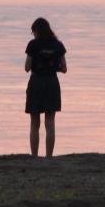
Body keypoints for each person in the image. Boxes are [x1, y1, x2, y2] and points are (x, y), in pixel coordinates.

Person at [24, 17, 67, 157]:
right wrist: (53, 67)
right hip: (51, 83)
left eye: (33, 32)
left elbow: (27, 67)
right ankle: (49, 156)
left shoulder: (32, 45)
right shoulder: (58, 45)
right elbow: (64, 68)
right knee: (50, 122)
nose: (33, 34)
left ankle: (35, 156)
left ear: (36, 31)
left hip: (36, 82)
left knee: (34, 123)